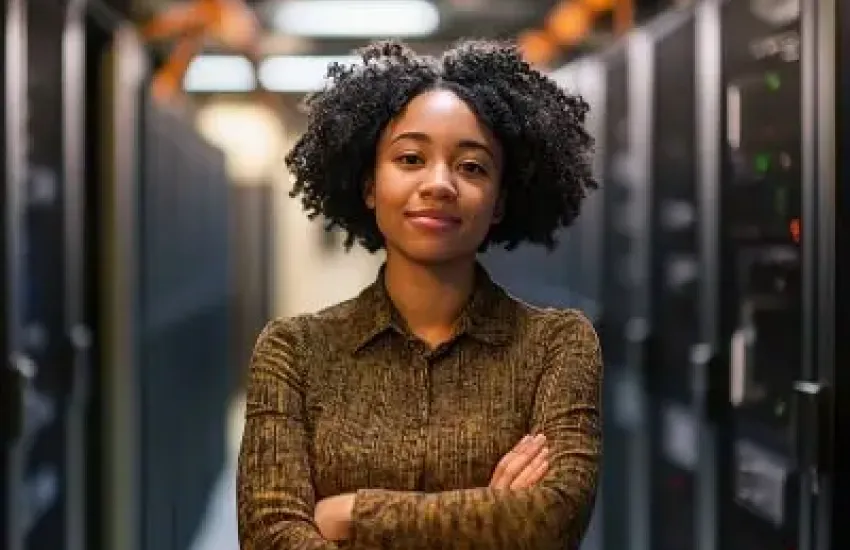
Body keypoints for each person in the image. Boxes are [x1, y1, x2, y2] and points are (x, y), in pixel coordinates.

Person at [237, 39, 602, 550]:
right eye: (410, 158)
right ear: (370, 186)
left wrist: (350, 515)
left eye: (472, 167)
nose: (439, 184)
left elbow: (550, 519)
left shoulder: (557, 345)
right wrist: (489, 517)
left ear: (498, 203)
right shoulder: (293, 352)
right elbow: (269, 534)